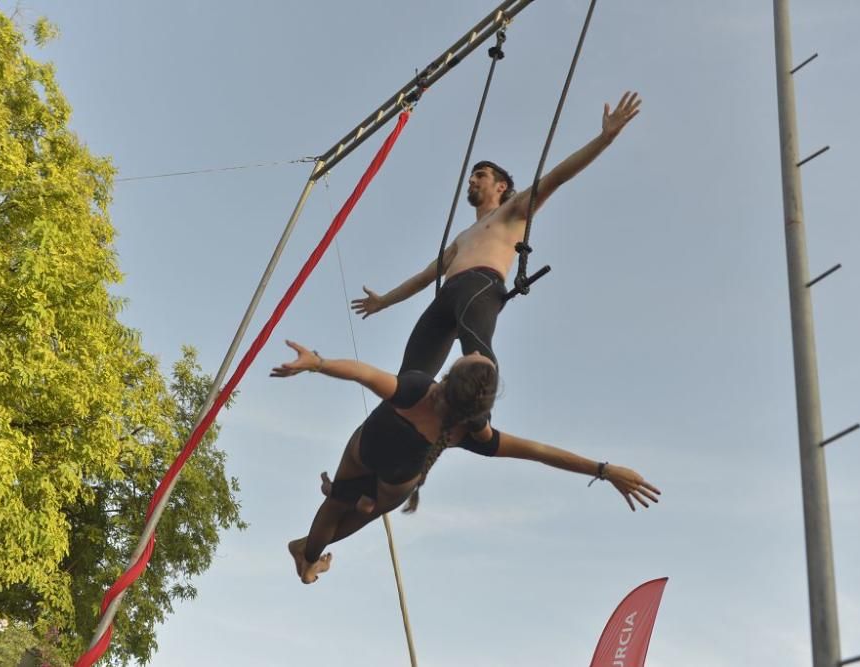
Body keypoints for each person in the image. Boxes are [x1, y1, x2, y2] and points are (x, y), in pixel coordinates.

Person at [270, 340, 660, 585]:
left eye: (472, 357)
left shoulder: (416, 388)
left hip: (366, 449)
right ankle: (305, 554)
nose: (474, 349)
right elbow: (539, 451)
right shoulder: (472, 431)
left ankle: (307, 553)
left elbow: (364, 373)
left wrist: (316, 363)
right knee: (355, 511)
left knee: (337, 501)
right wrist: (603, 470)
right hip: (396, 481)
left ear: (451, 377)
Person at [352, 92, 642, 376]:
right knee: (410, 374)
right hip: (446, 296)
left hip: (480, 285)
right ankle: (397, 419)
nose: (472, 180)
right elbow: (422, 278)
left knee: (476, 357)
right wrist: (383, 301)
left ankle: (479, 421)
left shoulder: (513, 211)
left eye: (480, 175)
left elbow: (558, 175)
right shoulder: (462, 237)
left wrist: (604, 139)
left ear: (500, 186)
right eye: (472, 175)